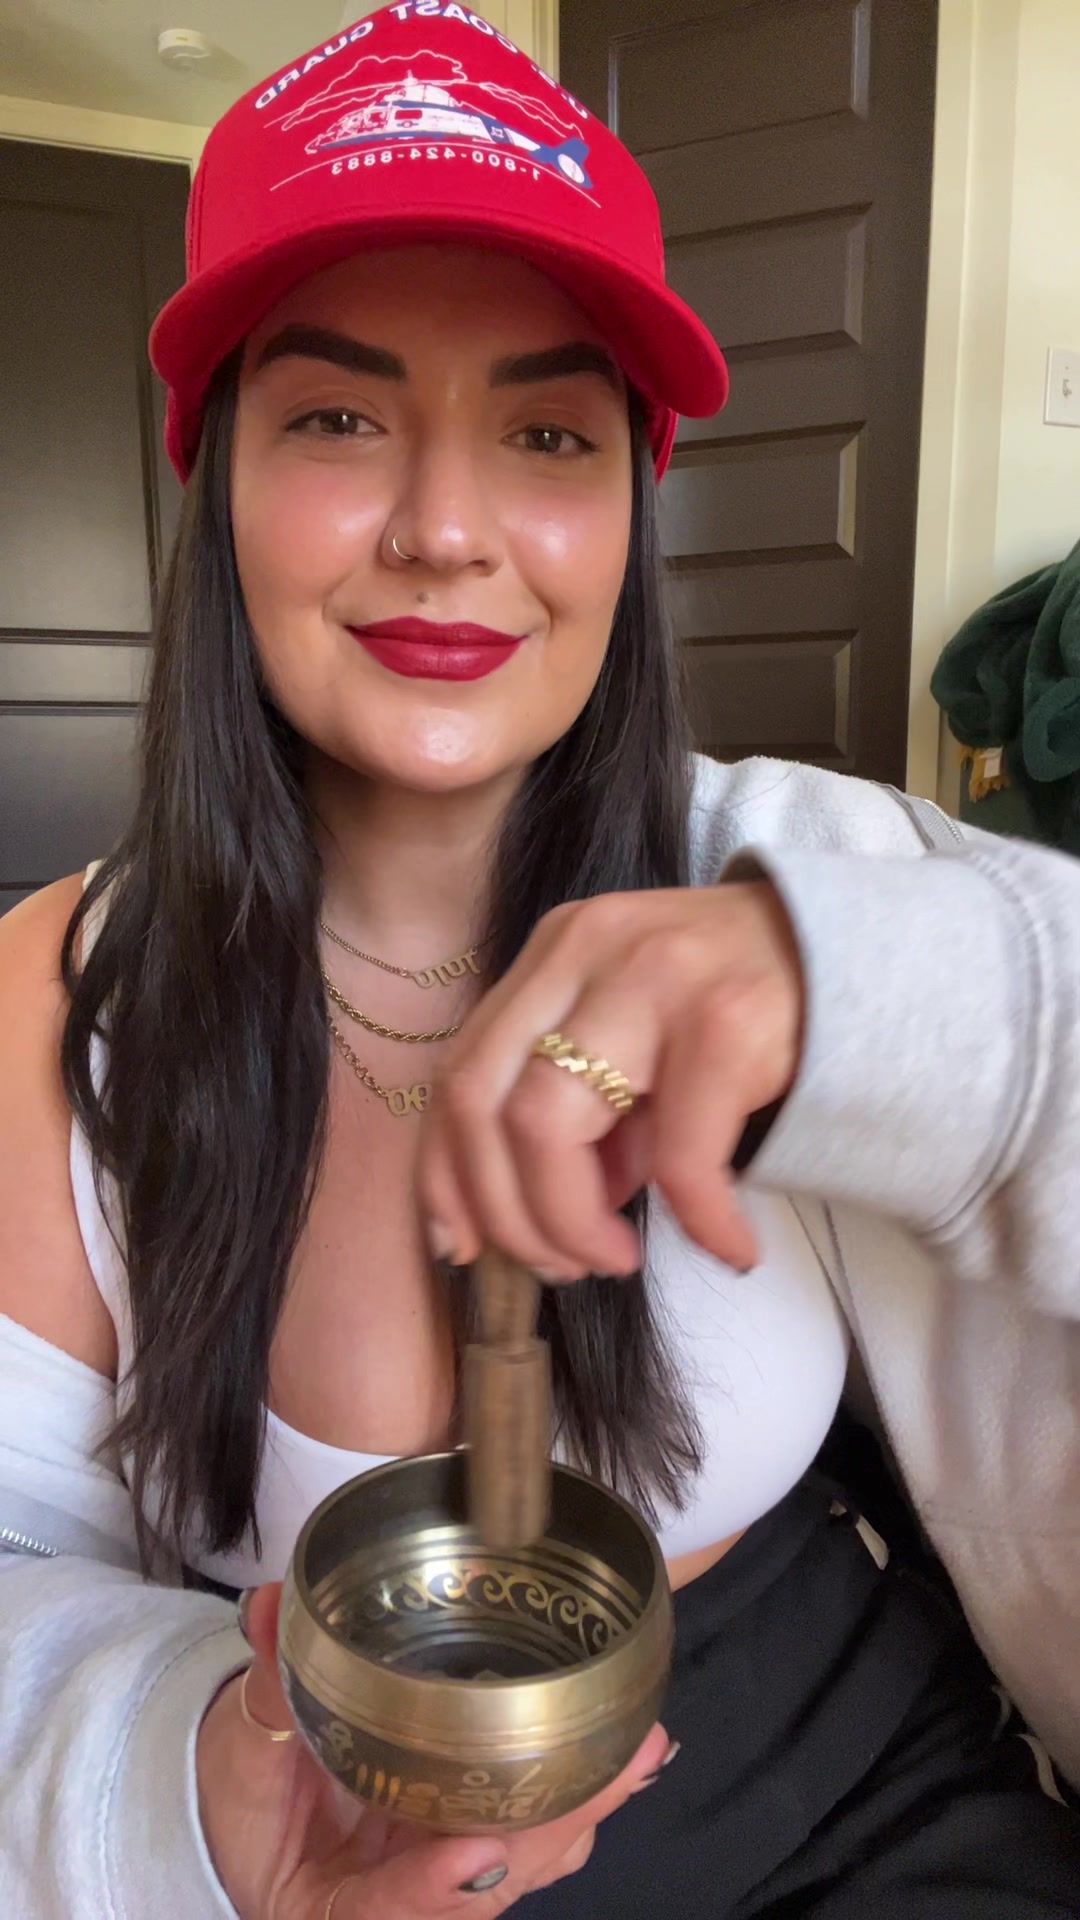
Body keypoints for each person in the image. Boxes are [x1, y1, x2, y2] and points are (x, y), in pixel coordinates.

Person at [1, 7, 1078, 1917]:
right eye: (338, 419)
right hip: (329, 1806)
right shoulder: (53, 999)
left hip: (872, 1796)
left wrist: (892, 1005)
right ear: (216, 474)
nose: (445, 529)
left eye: (550, 434)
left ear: (630, 505)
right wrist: (191, 1792)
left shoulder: (803, 880)